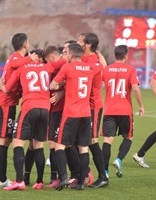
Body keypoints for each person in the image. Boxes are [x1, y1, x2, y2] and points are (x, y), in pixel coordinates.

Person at [0, 47, 66, 191]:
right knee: (38, 145)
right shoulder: (48, 66)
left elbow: (7, 89)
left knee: (17, 142)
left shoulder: (22, 68)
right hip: (45, 108)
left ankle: (19, 181)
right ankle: (40, 181)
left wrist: (1, 84)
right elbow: (63, 61)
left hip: (29, 107)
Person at [0, 33, 36, 187]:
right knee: (4, 140)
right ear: (25, 44)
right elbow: (16, 64)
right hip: (4, 103)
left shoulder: (18, 58)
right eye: (28, 43)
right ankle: (2, 180)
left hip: (6, 103)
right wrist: (31, 58)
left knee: (6, 139)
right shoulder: (16, 58)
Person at [49, 43, 101, 191]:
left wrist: (64, 83)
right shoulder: (91, 68)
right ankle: (80, 183)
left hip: (71, 113)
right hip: (86, 113)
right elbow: (102, 64)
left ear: (70, 55)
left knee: (60, 145)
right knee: (83, 147)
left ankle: (64, 177)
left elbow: (53, 85)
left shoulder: (67, 67)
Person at [102, 45, 144, 179]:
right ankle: (119, 159)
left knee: (108, 140)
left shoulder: (106, 70)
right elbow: (136, 89)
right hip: (125, 110)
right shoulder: (130, 70)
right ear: (126, 56)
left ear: (115, 56)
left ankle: (105, 172)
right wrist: (141, 106)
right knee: (128, 137)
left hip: (109, 109)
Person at [77, 32, 108, 188]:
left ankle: (103, 176)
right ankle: (85, 172)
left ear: (88, 44)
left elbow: (100, 66)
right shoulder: (91, 58)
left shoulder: (91, 61)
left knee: (92, 140)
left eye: (81, 40)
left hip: (93, 106)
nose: (78, 42)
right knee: (79, 140)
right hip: (83, 106)